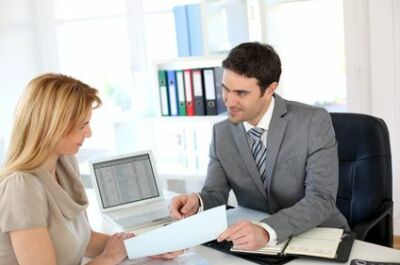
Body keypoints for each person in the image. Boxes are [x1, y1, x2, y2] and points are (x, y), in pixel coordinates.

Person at [170, 42, 349, 251]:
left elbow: (321, 199)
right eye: (226, 89)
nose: (229, 101)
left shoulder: (313, 122)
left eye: (241, 93)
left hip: (317, 235)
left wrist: (267, 230)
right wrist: (197, 202)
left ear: (270, 90)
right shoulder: (222, 133)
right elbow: (215, 193)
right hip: (255, 242)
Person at [0, 73, 181, 265]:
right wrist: (109, 257)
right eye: (82, 126)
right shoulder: (21, 187)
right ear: (52, 127)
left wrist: (144, 246)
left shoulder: (65, 163)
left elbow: (83, 240)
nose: (89, 133)